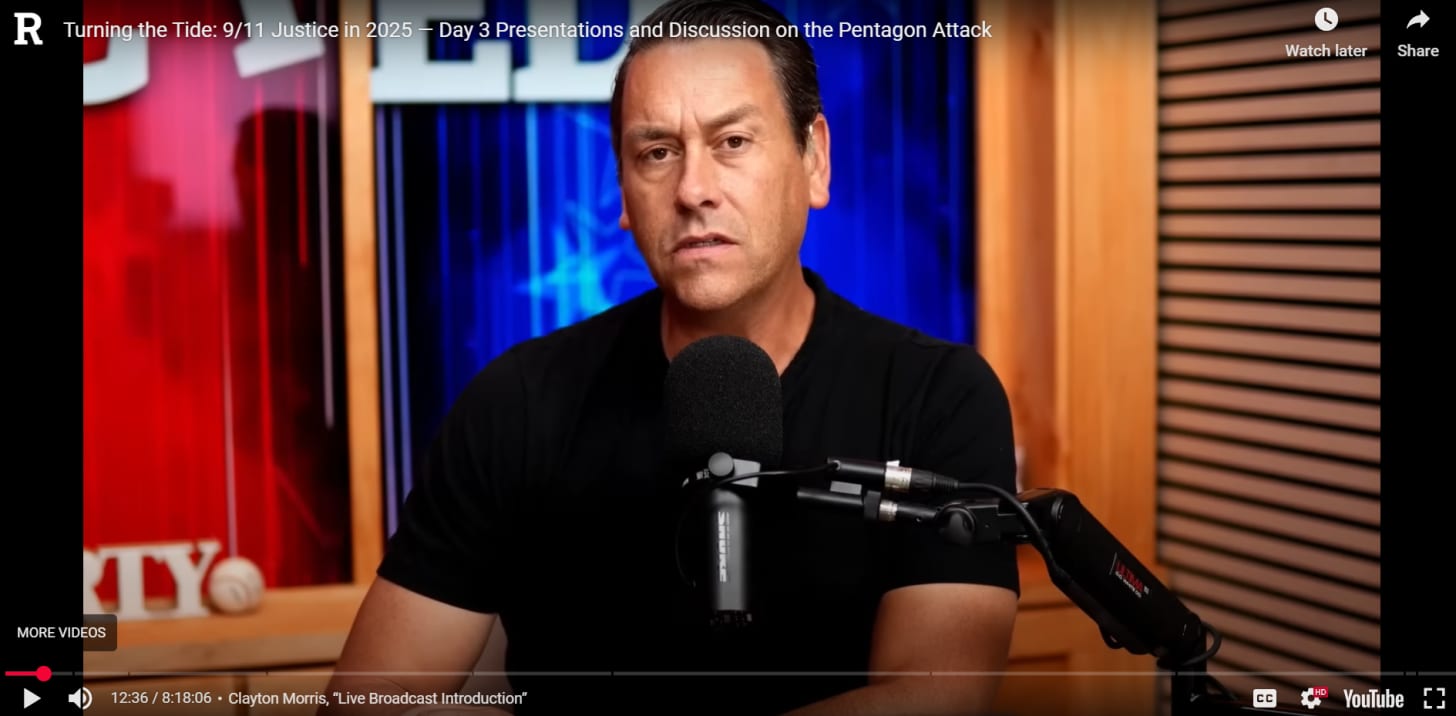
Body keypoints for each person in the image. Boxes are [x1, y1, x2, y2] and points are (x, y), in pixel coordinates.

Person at [325, 1, 1019, 714]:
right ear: (623, 192)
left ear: (815, 158)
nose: (692, 190)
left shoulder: (937, 396)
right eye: (657, 152)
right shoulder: (518, 402)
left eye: (733, 141)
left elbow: (936, 699)